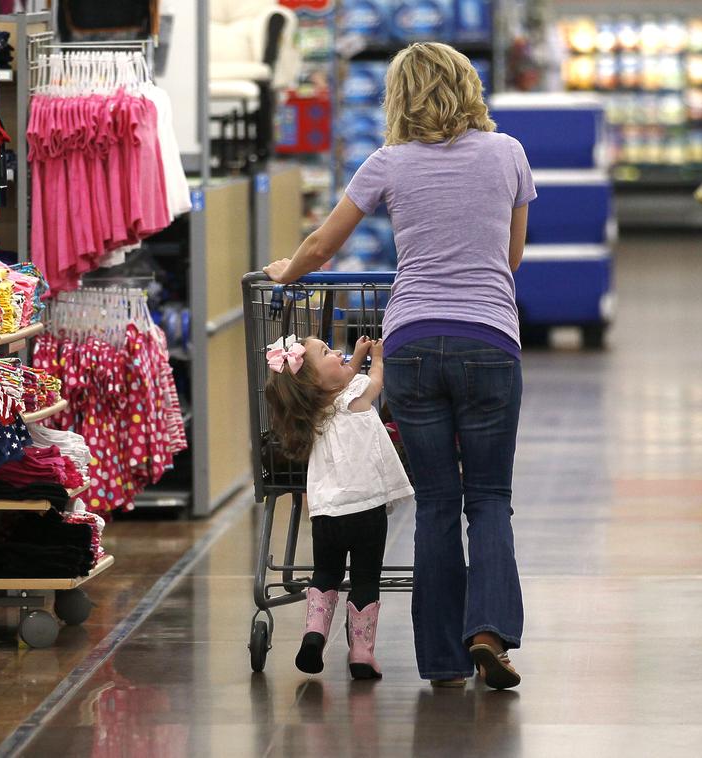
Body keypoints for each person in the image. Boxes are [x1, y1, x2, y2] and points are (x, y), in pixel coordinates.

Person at [264, 41, 534, 690]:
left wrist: (287, 273)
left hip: (411, 344)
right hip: (489, 342)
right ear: (469, 86)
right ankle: (489, 631)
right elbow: (512, 257)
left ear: (398, 98)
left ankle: (442, 662)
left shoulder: (388, 163)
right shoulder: (509, 155)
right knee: (489, 499)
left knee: (438, 501)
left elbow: (322, 243)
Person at [263, 333, 414, 680]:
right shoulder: (355, 394)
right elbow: (375, 382)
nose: (338, 354)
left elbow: (339, 378)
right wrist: (374, 358)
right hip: (367, 509)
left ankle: (314, 636)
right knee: (365, 578)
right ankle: (361, 653)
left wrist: (352, 358)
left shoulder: (309, 413)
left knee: (326, 573)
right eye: (327, 353)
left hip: (326, 513)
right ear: (316, 380)